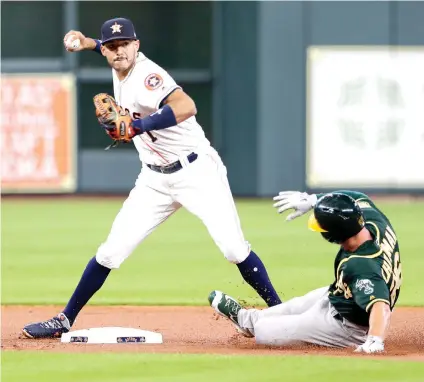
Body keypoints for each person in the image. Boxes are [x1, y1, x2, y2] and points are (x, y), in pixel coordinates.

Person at [22, 17, 281, 339]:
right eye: (113, 46)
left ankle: (280, 314)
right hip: (154, 180)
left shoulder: (148, 76)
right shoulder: (114, 56)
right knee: (110, 251)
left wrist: (137, 126)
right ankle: (64, 318)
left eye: (125, 44)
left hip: (197, 172)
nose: (119, 51)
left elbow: (186, 106)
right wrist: (85, 41)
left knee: (233, 249)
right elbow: (101, 45)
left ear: (137, 45)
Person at [209, 190, 402, 354]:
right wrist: (313, 200)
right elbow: (355, 197)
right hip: (344, 294)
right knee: (295, 306)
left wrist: (375, 341)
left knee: (267, 332)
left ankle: (255, 325)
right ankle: (245, 319)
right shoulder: (372, 220)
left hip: (349, 327)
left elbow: (381, 307)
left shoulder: (361, 265)